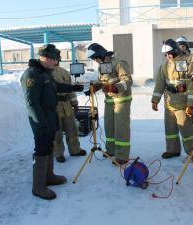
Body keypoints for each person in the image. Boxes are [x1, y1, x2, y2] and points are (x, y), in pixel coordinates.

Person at [21, 44, 84, 200]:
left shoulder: (45, 73)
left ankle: (49, 177)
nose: (56, 63)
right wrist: (41, 124)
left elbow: (55, 86)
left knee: (49, 146)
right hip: (41, 118)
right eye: (55, 59)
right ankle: (38, 186)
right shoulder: (32, 74)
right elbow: (31, 104)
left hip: (51, 115)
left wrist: (74, 87)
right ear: (46, 58)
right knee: (41, 150)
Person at [151, 39, 193, 162]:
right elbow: (159, 84)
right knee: (170, 129)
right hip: (169, 104)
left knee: (186, 129)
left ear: (175, 51)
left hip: (182, 103)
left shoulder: (187, 64)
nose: (168, 56)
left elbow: (191, 85)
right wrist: (155, 100)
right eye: (166, 54)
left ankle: (192, 152)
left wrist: (191, 104)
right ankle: (172, 150)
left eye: (169, 53)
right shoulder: (164, 66)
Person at [86, 43, 133, 165]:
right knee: (109, 127)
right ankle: (111, 150)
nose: (95, 61)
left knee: (121, 129)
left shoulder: (119, 63)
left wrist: (115, 88)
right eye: (94, 59)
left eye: (96, 58)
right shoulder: (102, 65)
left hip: (121, 100)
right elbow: (103, 81)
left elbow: (128, 81)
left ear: (101, 54)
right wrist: (95, 87)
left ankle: (122, 155)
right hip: (109, 101)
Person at [52, 49, 87, 163]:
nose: (56, 60)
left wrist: (75, 102)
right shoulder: (46, 73)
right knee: (57, 132)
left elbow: (70, 89)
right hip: (54, 107)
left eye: (57, 57)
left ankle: (75, 150)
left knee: (72, 130)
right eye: (54, 57)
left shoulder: (64, 72)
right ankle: (58, 154)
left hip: (67, 105)